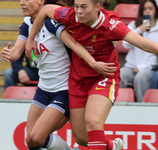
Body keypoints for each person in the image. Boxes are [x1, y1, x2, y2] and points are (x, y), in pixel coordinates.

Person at [25, 0, 158, 149]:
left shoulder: (110, 24)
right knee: (82, 138)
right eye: (76, 6)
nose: (78, 11)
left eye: (84, 7)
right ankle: (112, 146)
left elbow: (144, 43)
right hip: (78, 80)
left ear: (97, 7)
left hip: (104, 77)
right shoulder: (70, 16)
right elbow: (46, 10)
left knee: (93, 122)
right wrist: (31, 38)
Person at [1, 0, 115, 150]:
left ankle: (106, 144)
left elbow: (73, 43)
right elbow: (16, 53)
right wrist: (8, 54)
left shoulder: (51, 23)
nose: (22, 2)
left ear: (41, 1)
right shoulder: (27, 24)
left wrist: (93, 63)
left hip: (64, 91)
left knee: (38, 136)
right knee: (31, 140)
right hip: (43, 90)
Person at [120, 0, 158, 102]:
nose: (147, 11)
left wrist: (142, 67)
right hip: (131, 66)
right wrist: (139, 30)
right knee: (121, 74)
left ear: (156, 10)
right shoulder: (134, 25)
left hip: (150, 68)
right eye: (145, 9)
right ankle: (119, 105)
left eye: (150, 9)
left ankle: (142, 107)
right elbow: (125, 44)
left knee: (141, 78)